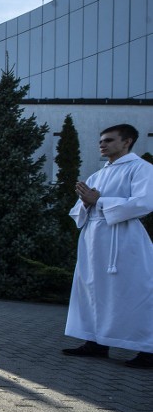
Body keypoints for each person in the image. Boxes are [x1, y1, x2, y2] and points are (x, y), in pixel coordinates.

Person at [62, 124, 153, 369]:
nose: (102, 144)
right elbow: (77, 212)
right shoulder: (97, 175)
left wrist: (99, 201)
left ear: (127, 142)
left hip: (123, 239)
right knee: (93, 290)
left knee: (133, 292)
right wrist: (86, 202)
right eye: (101, 141)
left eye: (109, 140)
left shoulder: (141, 168)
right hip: (94, 240)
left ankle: (147, 349)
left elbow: (144, 203)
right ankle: (96, 342)